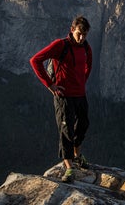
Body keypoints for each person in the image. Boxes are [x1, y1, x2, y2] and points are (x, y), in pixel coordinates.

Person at [30, 15, 93, 183]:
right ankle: (69, 167)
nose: (82, 38)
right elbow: (35, 60)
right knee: (66, 131)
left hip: (80, 95)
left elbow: (89, 65)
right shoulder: (60, 45)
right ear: (72, 30)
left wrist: (81, 82)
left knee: (83, 125)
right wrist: (50, 85)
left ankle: (77, 155)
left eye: (85, 34)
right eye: (79, 33)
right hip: (63, 96)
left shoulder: (86, 48)